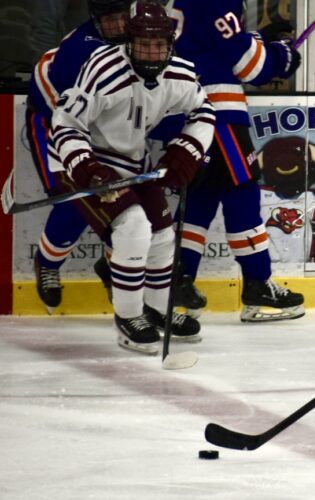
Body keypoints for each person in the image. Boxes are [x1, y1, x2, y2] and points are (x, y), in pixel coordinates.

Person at [48, 0, 215, 354]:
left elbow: (203, 111)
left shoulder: (180, 73)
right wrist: (86, 167)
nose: (152, 52)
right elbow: (65, 123)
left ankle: (156, 309)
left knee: (163, 234)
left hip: (134, 164)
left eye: (159, 44)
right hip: (82, 162)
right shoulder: (103, 68)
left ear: (170, 43)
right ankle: (128, 317)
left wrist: (188, 149)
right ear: (130, 41)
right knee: (134, 227)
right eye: (144, 44)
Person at [162, 0, 305, 322]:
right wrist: (281, 55)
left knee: (202, 197)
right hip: (217, 115)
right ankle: (257, 283)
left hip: (184, 111)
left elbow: (213, 43)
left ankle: (178, 280)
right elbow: (251, 68)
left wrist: (258, 39)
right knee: (242, 193)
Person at [27, 0, 131, 313]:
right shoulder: (78, 50)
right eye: (108, 19)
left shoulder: (142, 35)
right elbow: (68, 115)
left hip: (108, 125)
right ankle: (47, 264)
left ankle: (112, 266)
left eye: (121, 17)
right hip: (53, 118)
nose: (117, 26)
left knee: (127, 200)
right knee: (74, 198)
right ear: (95, 19)